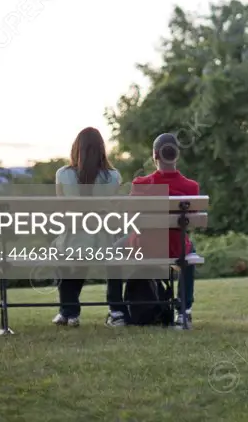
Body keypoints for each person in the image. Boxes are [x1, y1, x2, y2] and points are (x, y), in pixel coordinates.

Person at [107, 132, 200, 330]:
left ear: (155, 155)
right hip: (175, 249)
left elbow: (132, 218)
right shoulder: (191, 187)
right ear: (177, 155)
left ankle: (117, 312)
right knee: (189, 251)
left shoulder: (140, 184)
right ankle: (184, 312)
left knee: (113, 250)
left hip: (143, 246)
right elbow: (190, 221)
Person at [52, 127, 121, 326]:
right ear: (101, 149)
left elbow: (62, 210)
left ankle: (69, 311)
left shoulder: (63, 174)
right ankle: (115, 311)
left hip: (73, 239)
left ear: (76, 149)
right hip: (104, 243)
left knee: (63, 253)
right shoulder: (114, 176)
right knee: (87, 251)